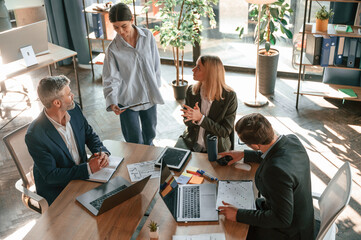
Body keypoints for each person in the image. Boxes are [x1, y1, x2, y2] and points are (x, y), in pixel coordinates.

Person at [218, 113, 314, 240]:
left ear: (256, 145)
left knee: (231, 232)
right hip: (302, 218)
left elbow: (282, 219)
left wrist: (238, 215)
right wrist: (243, 154)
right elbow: (275, 153)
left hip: (290, 232)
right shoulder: (292, 140)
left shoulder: (275, 171)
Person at [25, 75, 110, 205]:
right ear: (57, 103)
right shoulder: (35, 135)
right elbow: (51, 176)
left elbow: (89, 134)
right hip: (58, 189)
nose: (73, 95)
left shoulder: (74, 109)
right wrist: (88, 169)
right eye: (69, 94)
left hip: (82, 176)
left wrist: (102, 151)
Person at [102, 2, 164, 145]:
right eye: (116, 27)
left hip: (148, 96)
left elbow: (155, 64)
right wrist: (112, 102)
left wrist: (156, 87)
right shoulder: (113, 49)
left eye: (124, 26)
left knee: (150, 135)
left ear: (132, 20)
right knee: (134, 141)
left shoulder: (147, 36)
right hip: (127, 101)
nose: (121, 31)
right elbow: (110, 78)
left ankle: (150, 163)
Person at [176, 55, 237, 153]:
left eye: (198, 67)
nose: (193, 70)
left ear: (210, 74)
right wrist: (191, 118)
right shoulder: (191, 91)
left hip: (216, 148)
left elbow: (224, 132)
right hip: (191, 143)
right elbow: (186, 122)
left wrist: (201, 119)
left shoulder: (230, 97)